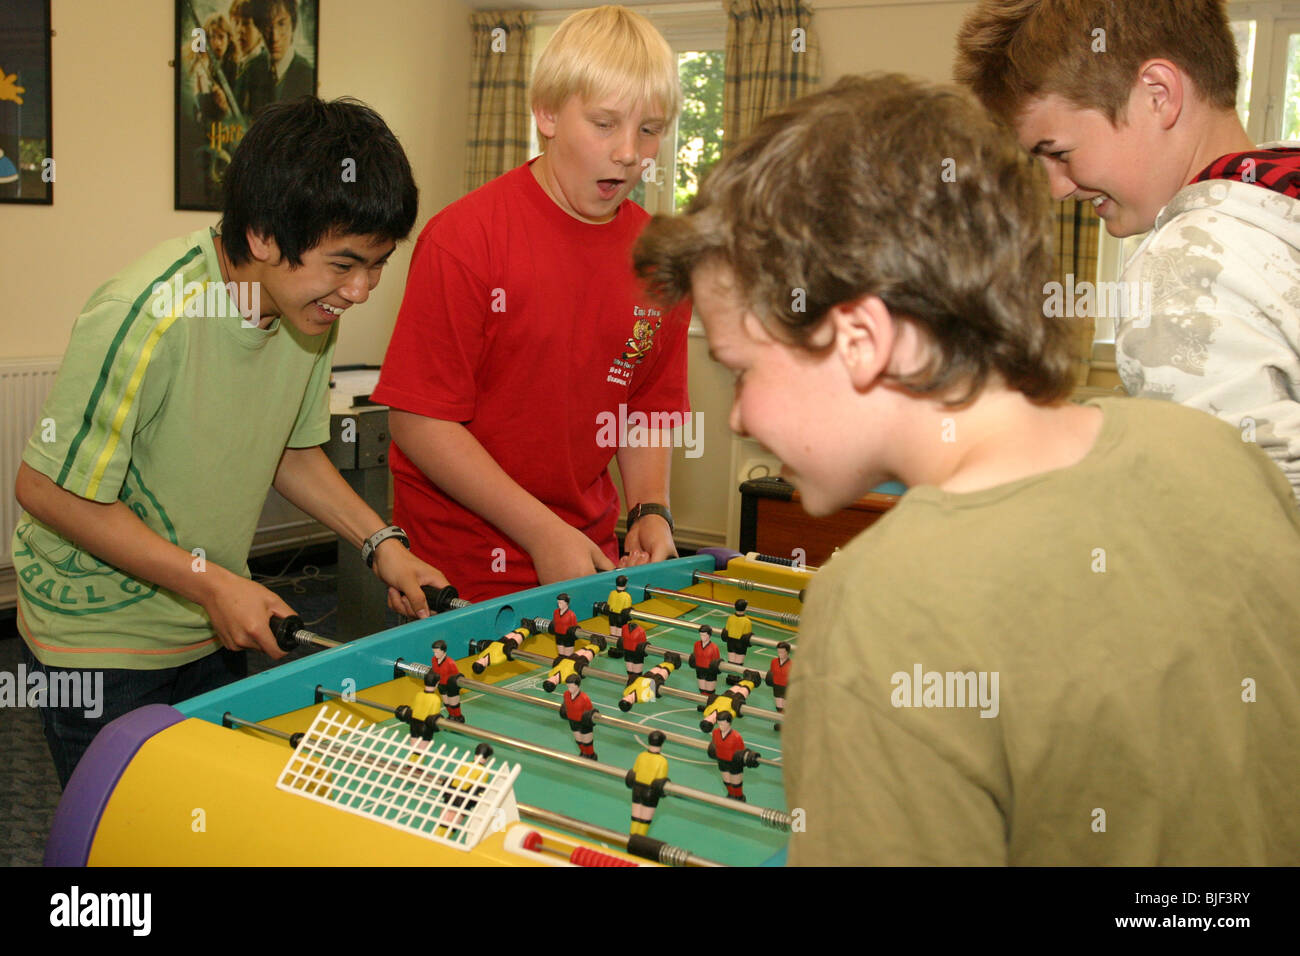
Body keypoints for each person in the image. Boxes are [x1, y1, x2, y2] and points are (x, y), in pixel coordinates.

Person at [632, 74, 1300, 864]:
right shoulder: (1220, 454)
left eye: (743, 371)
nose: (738, 415)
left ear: (861, 341)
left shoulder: (883, 611)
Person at [11, 97, 447, 789]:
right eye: (344, 264)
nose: (361, 290)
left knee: (198, 819)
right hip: (101, 646)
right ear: (266, 234)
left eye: (378, 265)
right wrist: (213, 583)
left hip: (206, 614)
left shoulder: (309, 311)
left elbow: (292, 452)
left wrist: (380, 544)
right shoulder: (149, 312)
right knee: (127, 834)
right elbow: (43, 489)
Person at [371, 6, 690, 601]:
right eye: (604, 124)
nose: (629, 152)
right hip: (455, 575)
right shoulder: (465, 240)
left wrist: (652, 508)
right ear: (546, 114)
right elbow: (420, 420)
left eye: (649, 129)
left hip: (587, 559)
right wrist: (543, 532)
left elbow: (646, 404)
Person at [955, 0, 1300, 504]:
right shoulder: (1276, 199)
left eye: (1058, 153)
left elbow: (1244, 527)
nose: (1057, 189)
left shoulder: (1183, 267)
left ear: (1158, 95)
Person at [253, 0, 314, 102]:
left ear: (293, 25)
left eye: (281, 24)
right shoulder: (253, 70)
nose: (274, 37)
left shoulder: (307, 74)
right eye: (267, 25)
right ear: (260, 28)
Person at [626, 730, 669, 835]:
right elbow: (660, 782)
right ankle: (638, 842)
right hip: (650, 792)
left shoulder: (641, 756)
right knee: (645, 820)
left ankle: (631, 837)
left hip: (636, 788)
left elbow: (634, 772)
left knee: (635, 817)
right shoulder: (662, 761)